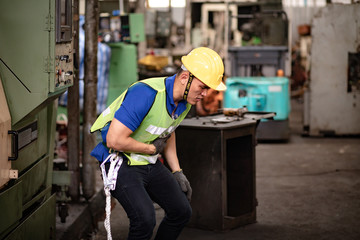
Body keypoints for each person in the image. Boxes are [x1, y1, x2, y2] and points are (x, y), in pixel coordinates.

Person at [90, 47, 226, 240]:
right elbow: (114, 140)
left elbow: (168, 132)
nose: (205, 94)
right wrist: (151, 148)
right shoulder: (146, 93)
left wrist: (177, 171)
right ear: (185, 78)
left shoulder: (185, 102)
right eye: (203, 87)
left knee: (181, 211)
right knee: (144, 219)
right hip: (119, 161)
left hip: (146, 160)